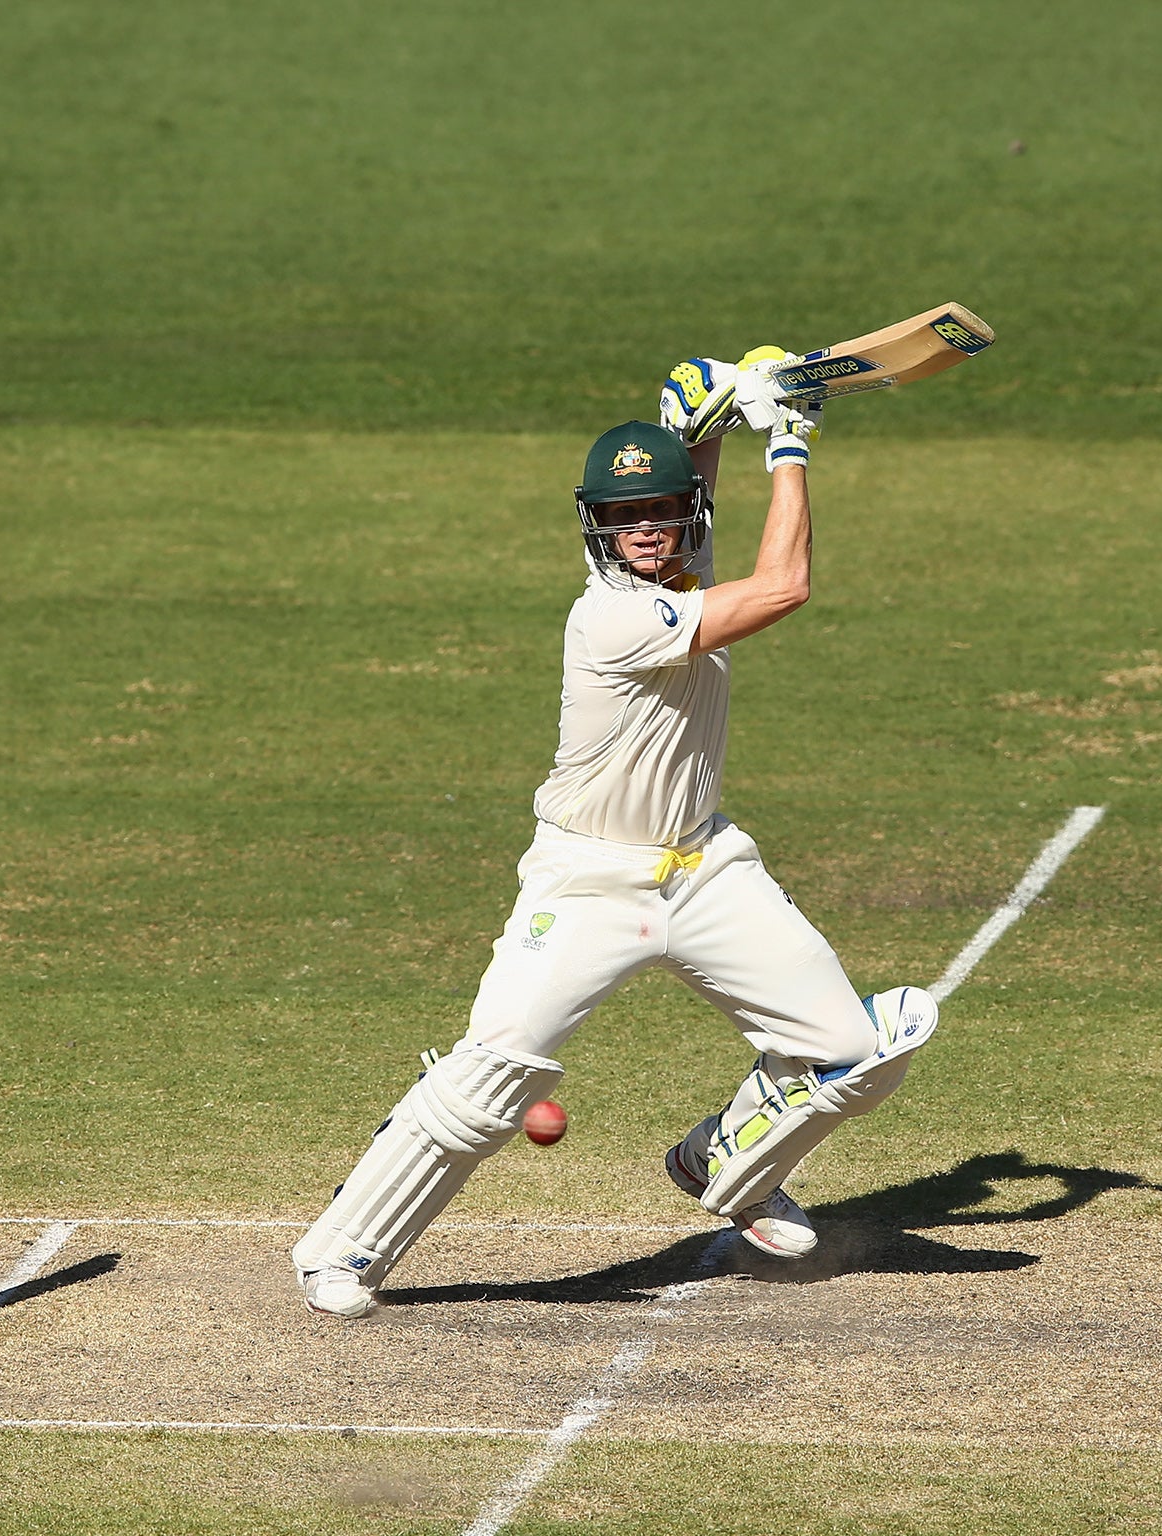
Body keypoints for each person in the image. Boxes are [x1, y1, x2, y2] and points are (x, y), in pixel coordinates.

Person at [292, 352, 939, 1318]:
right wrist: (791, 439)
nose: (646, 534)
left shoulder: (683, 563)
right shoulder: (610, 619)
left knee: (857, 1046)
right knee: (494, 1080)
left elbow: (695, 498)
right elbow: (785, 586)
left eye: (662, 515)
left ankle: (725, 1164)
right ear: (595, 529)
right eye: (623, 519)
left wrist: (715, 407)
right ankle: (343, 1250)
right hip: (589, 882)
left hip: (708, 870)